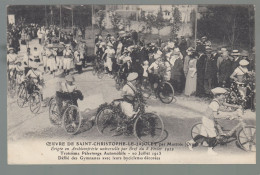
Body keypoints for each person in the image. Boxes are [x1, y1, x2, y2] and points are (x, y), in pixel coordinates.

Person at [186, 87, 242, 155]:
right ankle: (209, 150)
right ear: (218, 96)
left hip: (207, 118)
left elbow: (224, 104)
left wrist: (235, 106)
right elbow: (216, 116)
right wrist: (227, 116)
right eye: (222, 95)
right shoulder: (214, 104)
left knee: (203, 134)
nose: (224, 96)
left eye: (224, 95)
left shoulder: (217, 100)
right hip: (208, 120)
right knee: (213, 135)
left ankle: (190, 142)